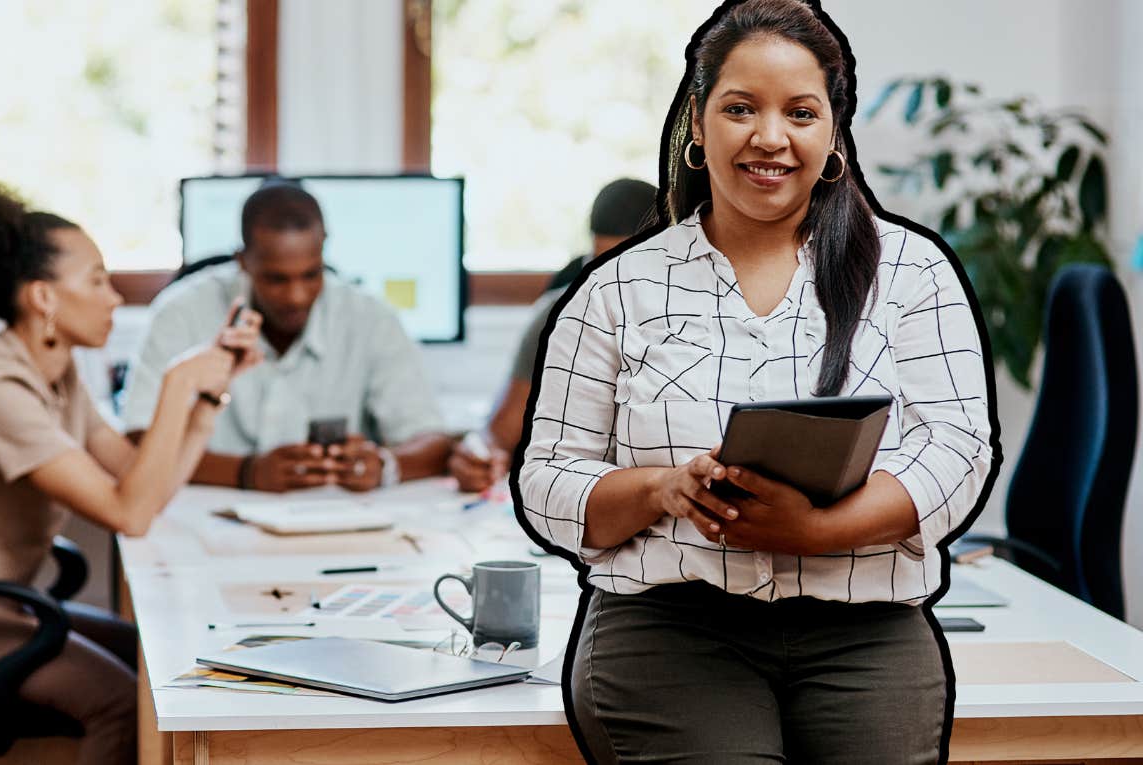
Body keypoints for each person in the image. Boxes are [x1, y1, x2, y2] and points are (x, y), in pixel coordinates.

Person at [517, 1, 997, 762]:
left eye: (800, 112)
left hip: (865, 630)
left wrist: (814, 533)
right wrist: (661, 488)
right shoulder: (618, 288)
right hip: (671, 629)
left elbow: (958, 452)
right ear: (698, 127)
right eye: (740, 107)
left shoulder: (912, 272)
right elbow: (546, 482)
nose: (770, 136)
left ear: (832, 134)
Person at [0, 184, 263, 765]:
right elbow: (129, 512)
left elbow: (143, 484)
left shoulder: (57, 374)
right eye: (97, 280)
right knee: (124, 700)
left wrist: (205, 398)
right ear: (44, 297)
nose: (115, 298)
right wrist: (176, 385)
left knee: (158, 660)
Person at [121, 180, 452, 492]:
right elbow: (137, 441)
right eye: (277, 279)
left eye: (311, 274)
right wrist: (245, 472)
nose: (296, 296)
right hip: (204, 520)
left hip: (335, 525)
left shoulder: (371, 317)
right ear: (243, 262)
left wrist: (382, 466)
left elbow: (432, 439)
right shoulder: (181, 312)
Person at [449, 178, 656, 492]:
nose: (605, 284)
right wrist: (478, 455)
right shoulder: (558, 312)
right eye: (597, 264)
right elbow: (499, 435)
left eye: (623, 268)